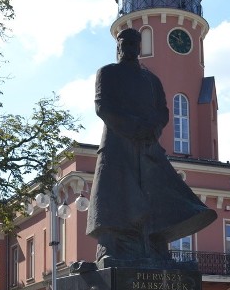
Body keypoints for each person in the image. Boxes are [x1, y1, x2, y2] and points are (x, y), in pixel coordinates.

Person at [86, 27, 215, 265]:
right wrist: (135, 127)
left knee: (155, 196)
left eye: (133, 45)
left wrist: (153, 130)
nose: (128, 50)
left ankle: (154, 244)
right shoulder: (108, 73)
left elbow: (163, 112)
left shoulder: (152, 80)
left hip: (148, 146)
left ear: (139, 48)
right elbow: (103, 107)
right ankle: (110, 246)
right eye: (124, 45)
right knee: (115, 196)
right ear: (118, 48)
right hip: (118, 144)